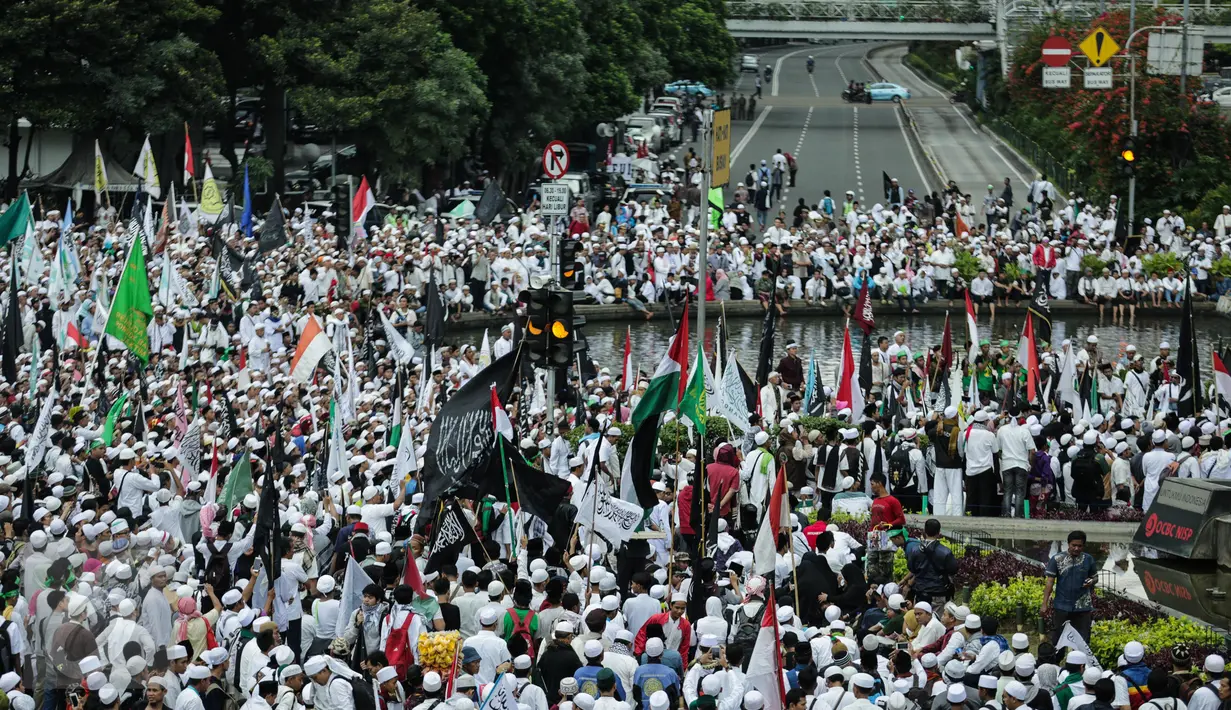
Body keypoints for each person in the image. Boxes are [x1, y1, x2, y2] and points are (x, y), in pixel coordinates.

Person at [1042, 531, 1098, 644]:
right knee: (1058, 639)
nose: (1076, 548)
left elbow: (1095, 577)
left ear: (1084, 546)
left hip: (1083, 607)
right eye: (1074, 545)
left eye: (1080, 546)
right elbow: (1049, 583)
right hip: (1062, 606)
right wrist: (1044, 603)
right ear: (1068, 544)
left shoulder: (1088, 559)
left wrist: (1091, 581)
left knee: (1083, 640)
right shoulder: (1057, 559)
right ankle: (1056, 660)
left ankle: (1080, 660)